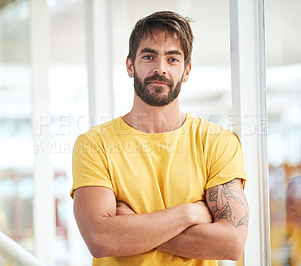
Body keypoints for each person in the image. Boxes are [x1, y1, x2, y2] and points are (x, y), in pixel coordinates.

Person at [71, 11, 249, 265]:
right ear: (130, 66)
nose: (160, 69)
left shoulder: (218, 142)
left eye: (172, 59)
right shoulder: (94, 144)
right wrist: (190, 213)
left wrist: (132, 226)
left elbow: (231, 243)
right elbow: (101, 239)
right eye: (148, 56)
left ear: (186, 70)